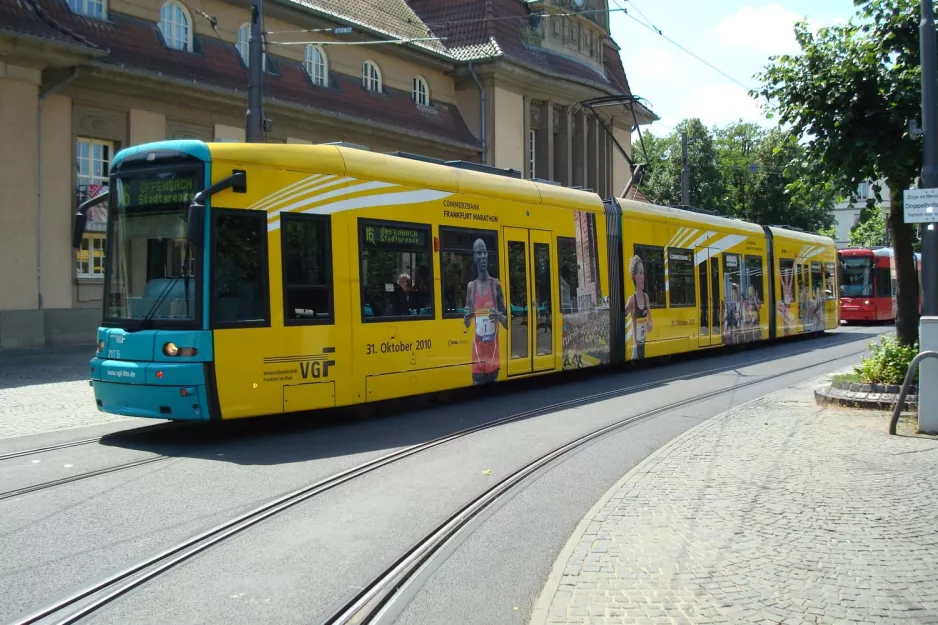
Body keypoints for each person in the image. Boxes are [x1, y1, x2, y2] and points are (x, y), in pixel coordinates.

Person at [463, 238, 507, 385]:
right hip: (477, 360)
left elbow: (508, 322)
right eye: (479, 253)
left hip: (493, 360)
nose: (482, 256)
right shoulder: (471, 287)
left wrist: (500, 316)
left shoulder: (496, 285)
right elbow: (467, 324)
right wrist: (466, 317)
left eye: (485, 253)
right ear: (474, 257)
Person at [625, 254, 653, 359]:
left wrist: (650, 323)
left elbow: (649, 315)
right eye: (640, 273)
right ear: (634, 277)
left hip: (644, 343)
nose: (643, 277)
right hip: (636, 347)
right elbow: (622, 314)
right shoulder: (632, 300)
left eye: (643, 273)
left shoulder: (646, 297)